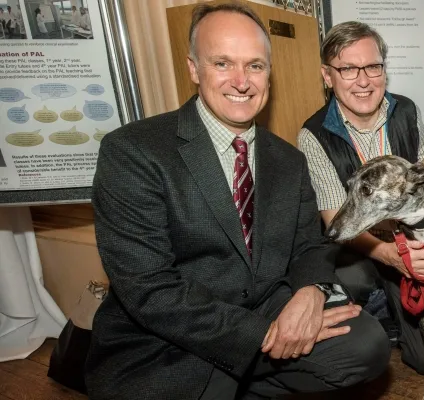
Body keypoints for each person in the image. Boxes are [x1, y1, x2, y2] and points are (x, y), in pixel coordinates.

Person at [86, 4, 390, 399]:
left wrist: (311, 291)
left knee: (366, 344)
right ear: (194, 68)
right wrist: (263, 335)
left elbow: (311, 245)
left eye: (256, 66)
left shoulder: (288, 159)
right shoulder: (133, 151)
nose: (242, 81)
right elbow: (150, 290)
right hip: (167, 341)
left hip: (266, 306)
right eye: (223, 63)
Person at [297, 21, 424, 375]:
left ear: (383, 70)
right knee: (355, 282)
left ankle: (396, 313)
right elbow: (335, 220)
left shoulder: (405, 110)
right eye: (348, 68)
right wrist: (394, 258)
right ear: (327, 76)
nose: (364, 81)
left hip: (406, 236)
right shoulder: (312, 134)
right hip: (357, 247)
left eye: (373, 67)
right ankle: (373, 311)